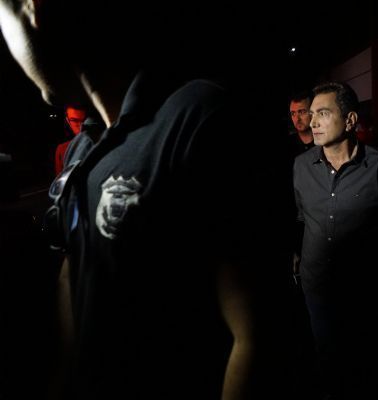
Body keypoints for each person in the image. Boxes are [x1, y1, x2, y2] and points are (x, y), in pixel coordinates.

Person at [0, 1, 283, 398]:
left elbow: (258, 335)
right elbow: (74, 268)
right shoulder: (83, 148)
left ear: (34, 10)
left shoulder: (197, 118)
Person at [293, 81, 378, 399]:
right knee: (327, 356)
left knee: (362, 358)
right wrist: (296, 252)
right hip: (316, 284)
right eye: (311, 114)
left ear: (350, 120)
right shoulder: (300, 167)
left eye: (323, 113)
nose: (313, 122)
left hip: (362, 289)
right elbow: (301, 217)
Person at [54, 105, 87, 175]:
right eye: (75, 121)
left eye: (84, 120)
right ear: (68, 121)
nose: (81, 126)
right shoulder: (62, 150)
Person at [288, 90, 315, 158]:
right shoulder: (288, 144)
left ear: (312, 112)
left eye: (302, 112)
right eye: (293, 113)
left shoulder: (324, 142)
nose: (297, 119)